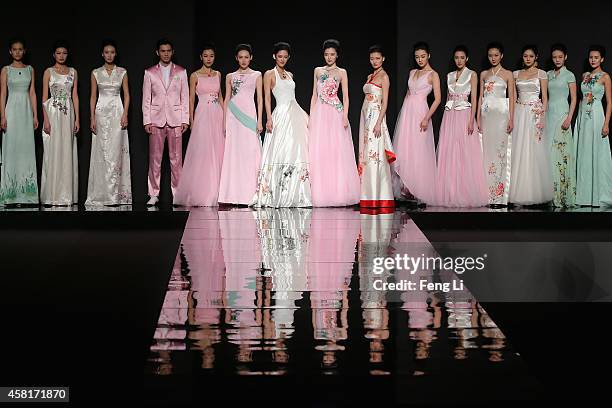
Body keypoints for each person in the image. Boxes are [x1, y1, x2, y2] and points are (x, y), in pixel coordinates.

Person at [252, 42, 311, 207]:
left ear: (288, 57)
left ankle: (296, 192)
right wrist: (268, 118)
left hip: (295, 113)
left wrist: (304, 114)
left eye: (285, 57)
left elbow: (293, 97)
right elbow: (267, 98)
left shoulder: (290, 74)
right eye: (280, 56)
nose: (282, 59)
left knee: (296, 150)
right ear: (274, 56)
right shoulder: (269, 74)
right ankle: (279, 192)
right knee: (280, 150)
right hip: (281, 113)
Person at [308, 39, 360, 207]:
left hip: (335, 112)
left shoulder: (342, 72)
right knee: (320, 151)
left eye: (332, 54)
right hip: (321, 112)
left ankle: (338, 192)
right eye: (326, 54)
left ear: (337, 55)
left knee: (336, 151)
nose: (329, 57)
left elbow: (345, 96)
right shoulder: (317, 70)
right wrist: (311, 116)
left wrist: (345, 116)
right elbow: (314, 95)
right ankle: (321, 193)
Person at [435, 45, 488, 207]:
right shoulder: (449, 75)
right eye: (457, 58)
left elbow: (474, 98)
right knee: (449, 151)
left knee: (465, 152)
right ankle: (449, 192)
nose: (459, 60)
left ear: (467, 59)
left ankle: (465, 192)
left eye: (462, 58)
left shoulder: (472, 74)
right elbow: (447, 97)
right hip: (450, 114)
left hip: (465, 113)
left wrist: (472, 120)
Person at [173, 43, 225, 206]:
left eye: (211, 56)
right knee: (203, 152)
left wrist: (226, 118)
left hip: (217, 114)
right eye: (206, 56)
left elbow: (221, 96)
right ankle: (203, 191)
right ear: (201, 57)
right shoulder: (194, 75)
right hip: (202, 114)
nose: (209, 59)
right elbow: (190, 99)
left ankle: (218, 192)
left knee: (218, 151)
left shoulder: (218, 74)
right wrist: (191, 120)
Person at [392, 41, 440, 205]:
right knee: (406, 147)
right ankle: (407, 190)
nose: (420, 59)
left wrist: (426, 117)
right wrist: (404, 114)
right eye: (417, 57)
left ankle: (419, 189)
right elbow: (407, 94)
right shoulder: (412, 72)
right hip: (408, 112)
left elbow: (438, 99)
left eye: (423, 56)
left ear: (428, 56)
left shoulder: (433, 74)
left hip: (421, 112)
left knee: (419, 150)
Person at [142, 38, 189, 206]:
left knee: (176, 159)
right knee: (155, 159)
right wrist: (147, 120)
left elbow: (185, 97)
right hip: (156, 120)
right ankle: (153, 193)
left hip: (176, 120)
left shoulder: (181, 72)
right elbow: (146, 99)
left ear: (172, 52)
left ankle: (177, 193)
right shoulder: (150, 73)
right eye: (163, 51)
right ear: (157, 53)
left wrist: (185, 119)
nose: (166, 53)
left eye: (168, 50)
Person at [86, 39, 132, 206]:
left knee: (115, 152)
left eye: (112, 52)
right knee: (101, 152)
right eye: (106, 52)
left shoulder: (122, 72)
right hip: (101, 111)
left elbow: (127, 95)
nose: (109, 55)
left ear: (116, 54)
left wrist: (125, 113)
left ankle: (116, 195)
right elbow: (93, 96)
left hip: (117, 112)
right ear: (102, 54)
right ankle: (101, 194)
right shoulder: (96, 72)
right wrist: (92, 117)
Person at [218, 43, 263, 205]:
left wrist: (259, 121)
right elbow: (226, 98)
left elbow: (260, 99)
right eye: (240, 57)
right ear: (236, 58)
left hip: (249, 116)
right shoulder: (230, 76)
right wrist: (224, 122)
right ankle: (233, 195)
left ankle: (251, 193)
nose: (243, 60)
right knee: (234, 154)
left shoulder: (257, 75)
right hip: (233, 117)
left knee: (251, 152)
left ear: (251, 58)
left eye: (246, 57)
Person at [509, 44, 553, 205]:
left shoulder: (541, 74)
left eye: (531, 56)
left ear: (536, 58)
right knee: (519, 149)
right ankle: (517, 192)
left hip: (535, 114)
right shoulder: (515, 74)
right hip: (520, 112)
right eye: (525, 56)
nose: (528, 58)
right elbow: (513, 98)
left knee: (534, 151)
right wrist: (511, 117)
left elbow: (546, 98)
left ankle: (535, 192)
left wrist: (542, 117)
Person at [40, 40, 79, 206]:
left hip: (68, 114)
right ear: (53, 54)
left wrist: (77, 118)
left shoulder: (73, 72)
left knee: (67, 150)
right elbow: (43, 97)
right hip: (53, 113)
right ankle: (52, 195)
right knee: (53, 151)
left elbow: (75, 95)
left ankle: (66, 195)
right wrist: (46, 119)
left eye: (64, 53)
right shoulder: (48, 72)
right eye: (58, 53)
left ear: (67, 54)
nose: (61, 56)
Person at [0, 38, 39, 206]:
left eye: (20, 49)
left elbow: (32, 93)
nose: (17, 52)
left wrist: (35, 115)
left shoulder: (30, 69)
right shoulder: (6, 70)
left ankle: (27, 195)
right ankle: (9, 195)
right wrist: (2, 116)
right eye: (14, 49)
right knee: (11, 150)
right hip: (12, 112)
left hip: (25, 112)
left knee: (26, 150)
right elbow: (2, 94)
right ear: (10, 51)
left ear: (24, 51)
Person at [477, 42, 515, 207]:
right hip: (486, 117)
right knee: (486, 153)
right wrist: (477, 117)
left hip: (501, 117)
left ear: (502, 56)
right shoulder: (484, 74)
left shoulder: (507, 74)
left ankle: (499, 196)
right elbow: (480, 97)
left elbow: (512, 97)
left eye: (496, 55)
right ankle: (486, 194)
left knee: (500, 153)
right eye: (490, 55)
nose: (493, 58)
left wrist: (511, 118)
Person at [574, 44, 612, 207]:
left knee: (597, 153)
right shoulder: (585, 75)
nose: (593, 60)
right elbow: (582, 98)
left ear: (602, 59)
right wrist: (579, 118)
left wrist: (606, 124)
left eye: (596, 57)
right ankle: (583, 197)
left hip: (597, 115)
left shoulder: (605, 77)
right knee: (584, 153)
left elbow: (609, 103)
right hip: (584, 116)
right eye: (591, 57)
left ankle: (598, 195)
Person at [358, 45, 395, 208]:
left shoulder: (384, 77)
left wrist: (380, 122)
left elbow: (385, 102)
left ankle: (378, 195)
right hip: (366, 115)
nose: (374, 61)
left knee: (375, 152)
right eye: (372, 58)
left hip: (376, 116)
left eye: (377, 58)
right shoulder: (370, 75)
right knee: (367, 152)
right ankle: (367, 194)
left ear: (383, 59)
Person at [546, 43, 577, 208]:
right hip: (549, 116)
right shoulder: (548, 74)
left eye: (560, 57)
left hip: (562, 116)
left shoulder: (569, 75)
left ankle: (562, 196)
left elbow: (573, 99)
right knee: (549, 155)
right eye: (554, 57)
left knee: (561, 155)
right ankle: (550, 195)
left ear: (565, 57)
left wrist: (569, 118)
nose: (557, 60)